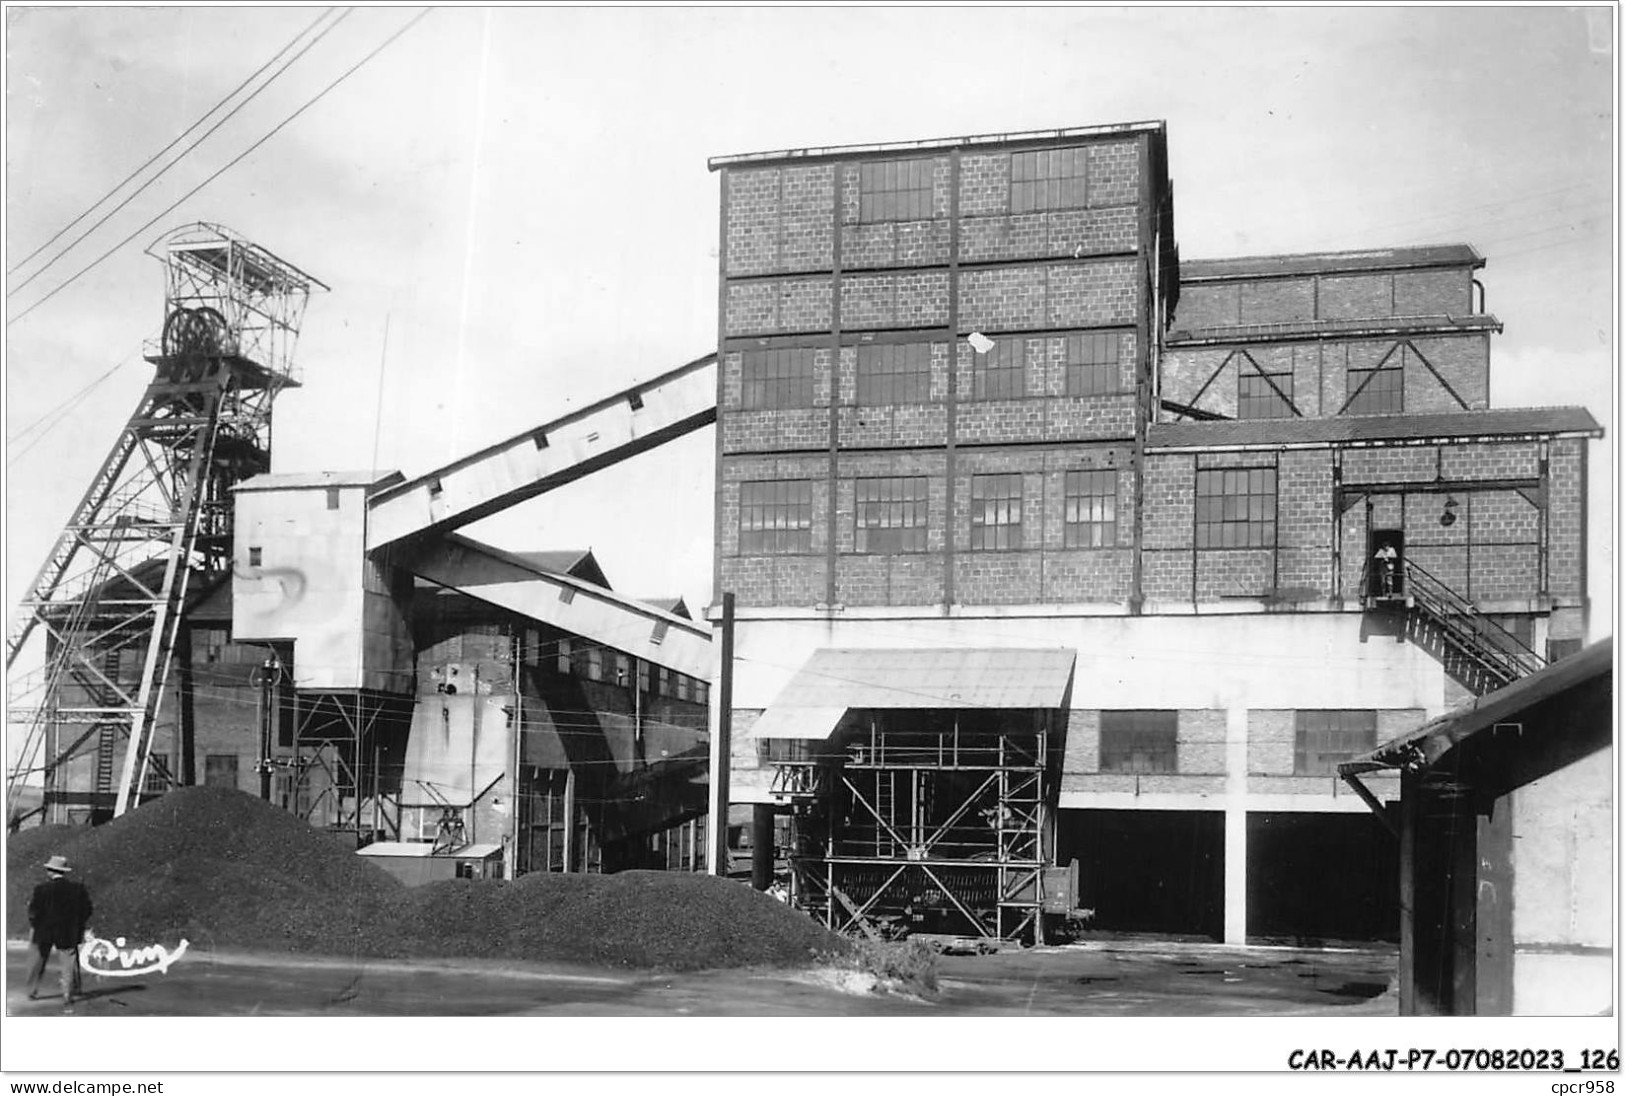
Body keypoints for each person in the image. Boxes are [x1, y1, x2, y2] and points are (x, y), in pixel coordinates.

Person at [25, 854, 93, 1006]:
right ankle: (68, 993)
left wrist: (35, 925)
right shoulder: (77, 889)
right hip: (67, 932)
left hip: (44, 931)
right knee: (68, 963)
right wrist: (78, 924)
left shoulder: (41, 889)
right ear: (63, 871)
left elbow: (34, 911)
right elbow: (87, 909)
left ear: (50, 871)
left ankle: (32, 991)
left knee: (37, 962)